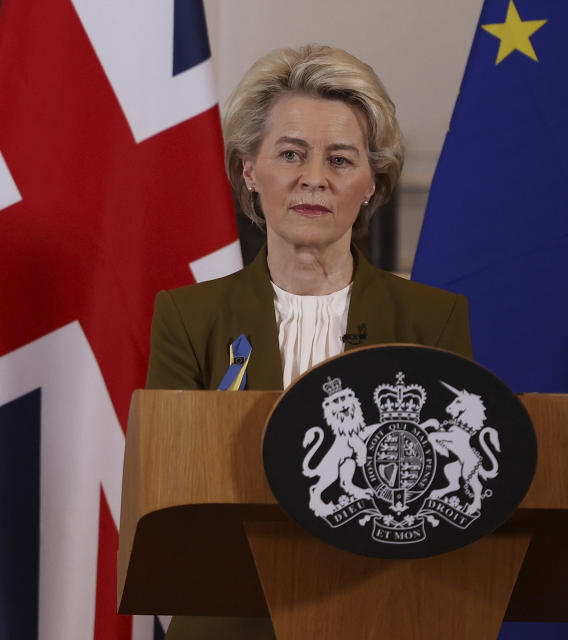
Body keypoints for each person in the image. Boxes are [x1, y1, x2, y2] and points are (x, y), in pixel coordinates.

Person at [145, 44, 472, 640]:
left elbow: (448, 494)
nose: (313, 179)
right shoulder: (188, 317)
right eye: (290, 153)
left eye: (341, 160)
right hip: (228, 617)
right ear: (250, 169)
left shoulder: (433, 320)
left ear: (373, 181)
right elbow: (173, 492)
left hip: (380, 614)